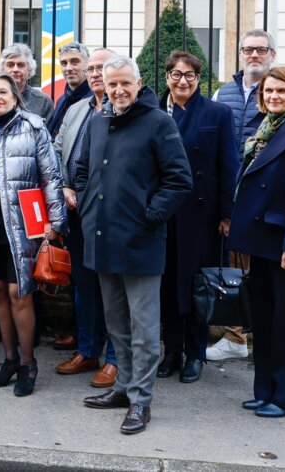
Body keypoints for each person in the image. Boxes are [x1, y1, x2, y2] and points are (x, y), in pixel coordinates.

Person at [76, 55, 192, 435]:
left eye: (126, 83)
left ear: (139, 84)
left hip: (141, 241)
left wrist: (150, 216)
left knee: (144, 328)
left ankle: (141, 399)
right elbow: (82, 171)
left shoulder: (159, 121)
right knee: (116, 324)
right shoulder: (97, 121)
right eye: (112, 85)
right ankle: (124, 388)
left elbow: (179, 180)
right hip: (102, 238)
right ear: (105, 87)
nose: (119, 90)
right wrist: (88, 207)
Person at [0, 73, 66, 396]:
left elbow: (50, 177)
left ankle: (27, 362)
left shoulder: (33, 127)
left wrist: (55, 223)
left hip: (20, 225)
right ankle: (8, 359)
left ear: (15, 95)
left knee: (21, 293)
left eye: (2, 91)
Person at [157, 51, 239, 384]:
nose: (182, 81)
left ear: (198, 78)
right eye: (176, 74)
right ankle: (171, 351)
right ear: (166, 77)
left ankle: (195, 354)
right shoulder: (153, 112)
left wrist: (226, 214)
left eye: (189, 75)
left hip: (200, 214)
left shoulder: (217, 113)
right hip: (162, 213)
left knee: (196, 284)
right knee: (165, 284)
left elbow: (229, 165)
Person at [227, 66, 285, 418]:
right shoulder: (265, 129)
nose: (273, 97)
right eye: (268, 91)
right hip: (260, 239)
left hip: (283, 243)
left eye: (281, 91)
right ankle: (265, 389)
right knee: (264, 320)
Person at [207, 29, 276, 362]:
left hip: (266, 191)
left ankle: (264, 334)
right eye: (248, 49)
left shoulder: (278, 91)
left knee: (263, 266)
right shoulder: (225, 93)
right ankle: (236, 337)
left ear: (271, 55)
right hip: (231, 189)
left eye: (261, 50)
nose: (254, 56)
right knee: (234, 262)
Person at [53, 48, 118, 388]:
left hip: (109, 214)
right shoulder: (77, 108)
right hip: (76, 210)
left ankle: (115, 360)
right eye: (91, 68)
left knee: (113, 287)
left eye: (101, 68)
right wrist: (63, 186)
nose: (94, 73)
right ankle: (88, 349)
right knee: (83, 284)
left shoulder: (124, 109)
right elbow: (58, 148)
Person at [0, 43, 53, 124]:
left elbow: (47, 135)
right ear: (3, 69)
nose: (15, 69)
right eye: (10, 65)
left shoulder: (43, 101)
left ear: (30, 69)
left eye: (20, 65)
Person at [46, 42, 90, 138]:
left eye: (75, 62)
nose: (68, 68)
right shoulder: (61, 100)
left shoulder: (94, 100)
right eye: (64, 63)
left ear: (87, 65)